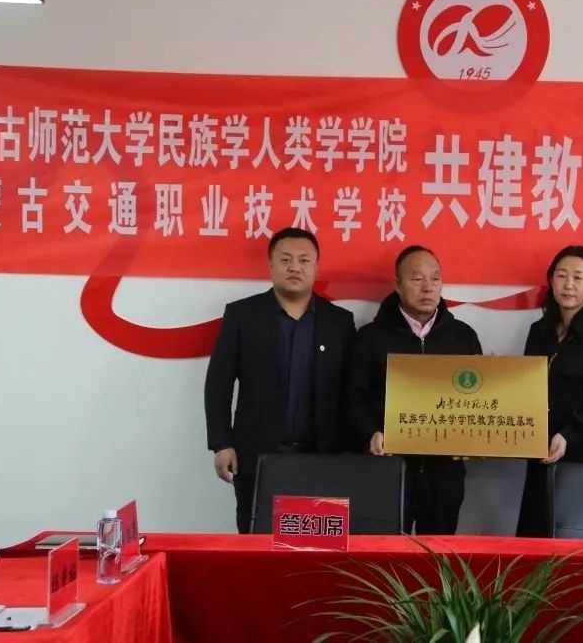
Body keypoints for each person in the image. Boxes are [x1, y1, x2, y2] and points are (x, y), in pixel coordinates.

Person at [204, 227, 356, 534]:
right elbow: (219, 383)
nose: (294, 267)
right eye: (285, 259)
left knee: (317, 544)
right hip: (258, 454)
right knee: (258, 540)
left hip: (323, 457)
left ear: (316, 266)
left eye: (304, 260)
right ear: (271, 265)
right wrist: (222, 443)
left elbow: (350, 391)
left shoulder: (339, 321)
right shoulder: (243, 316)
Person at [349, 245, 482, 534]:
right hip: (388, 468)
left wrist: (474, 438)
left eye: (435, 278)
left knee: (437, 554)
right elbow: (354, 395)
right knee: (384, 553)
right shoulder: (370, 337)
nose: (428, 287)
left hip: (444, 473)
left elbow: (476, 400)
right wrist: (370, 432)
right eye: (417, 278)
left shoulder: (463, 337)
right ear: (397, 284)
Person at [516, 245, 583, 537]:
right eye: (561, 275)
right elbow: (529, 388)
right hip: (542, 449)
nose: (568, 284)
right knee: (537, 536)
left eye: (578, 277)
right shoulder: (539, 331)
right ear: (551, 280)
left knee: (578, 539)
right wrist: (506, 381)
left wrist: (568, 435)